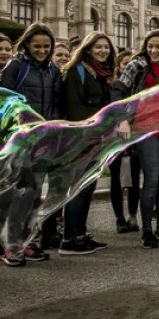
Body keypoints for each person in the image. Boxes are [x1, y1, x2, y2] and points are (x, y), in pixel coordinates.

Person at [0, 23, 61, 265]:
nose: (42, 50)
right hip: (19, 138)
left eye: (46, 46)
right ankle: (11, 246)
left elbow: (55, 105)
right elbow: (4, 101)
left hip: (43, 139)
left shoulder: (53, 71)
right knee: (20, 192)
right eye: (37, 45)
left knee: (35, 192)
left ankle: (27, 243)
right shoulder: (16, 66)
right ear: (27, 44)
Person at [113, 29, 159, 249]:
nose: (153, 50)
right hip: (147, 129)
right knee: (152, 180)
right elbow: (118, 91)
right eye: (150, 46)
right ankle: (147, 231)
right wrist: (123, 119)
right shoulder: (137, 66)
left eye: (158, 47)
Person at [60, 31, 118, 255]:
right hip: (80, 138)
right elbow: (74, 108)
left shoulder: (100, 73)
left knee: (88, 187)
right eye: (98, 47)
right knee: (77, 189)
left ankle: (80, 234)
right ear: (87, 49)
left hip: (96, 137)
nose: (103, 51)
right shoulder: (76, 72)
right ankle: (68, 239)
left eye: (106, 47)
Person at [109, 49, 141, 234]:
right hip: (115, 136)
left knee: (135, 178)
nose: (129, 66)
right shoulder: (114, 87)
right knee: (116, 179)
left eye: (132, 63)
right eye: (125, 63)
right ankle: (119, 218)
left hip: (135, 136)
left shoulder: (139, 87)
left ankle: (132, 216)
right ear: (119, 67)